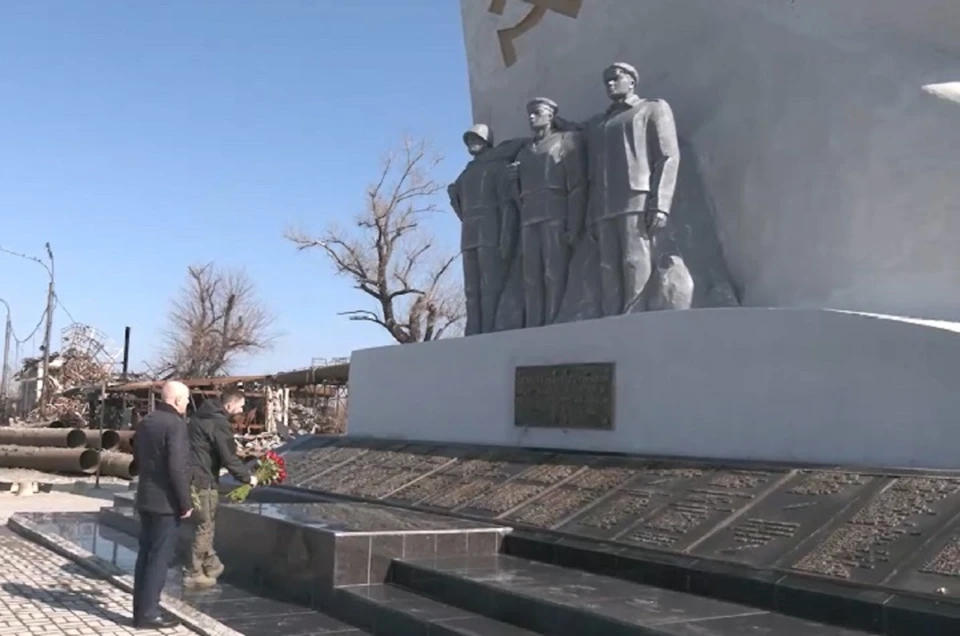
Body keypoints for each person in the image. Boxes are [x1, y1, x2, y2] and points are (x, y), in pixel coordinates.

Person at [509, 97, 587, 327]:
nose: (532, 117)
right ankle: (535, 324)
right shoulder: (524, 152)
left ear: (551, 116)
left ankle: (556, 321)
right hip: (529, 218)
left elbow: (577, 186)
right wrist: (514, 183)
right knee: (531, 277)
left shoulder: (566, 141)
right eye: (530, 114)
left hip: (555, 214)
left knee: (554, 273)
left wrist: (574, 224)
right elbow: (518, 199)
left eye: (537, 112)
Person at [132, 381, 192, 630]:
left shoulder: (147, 421)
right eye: (187, 399)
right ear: (177, 400)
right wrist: (185, 502)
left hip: (145, 497)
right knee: (158, 560)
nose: (188, 404)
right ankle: (148, 614)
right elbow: (177, 468)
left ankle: (140, 610)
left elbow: (137, 456)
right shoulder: (175, 426)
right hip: (166, 503)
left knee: (145, 556)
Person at [184, 387, 256, 588]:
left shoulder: (199, 417)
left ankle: (212, 565)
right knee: (205, 526)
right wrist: (247, 477)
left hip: (193, 476)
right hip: (203, 479)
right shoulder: (219, 423)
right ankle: (193, 572)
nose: (241, 410)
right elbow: (228, 456)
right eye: (240, 406)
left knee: (205, 523)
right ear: (230, 404)